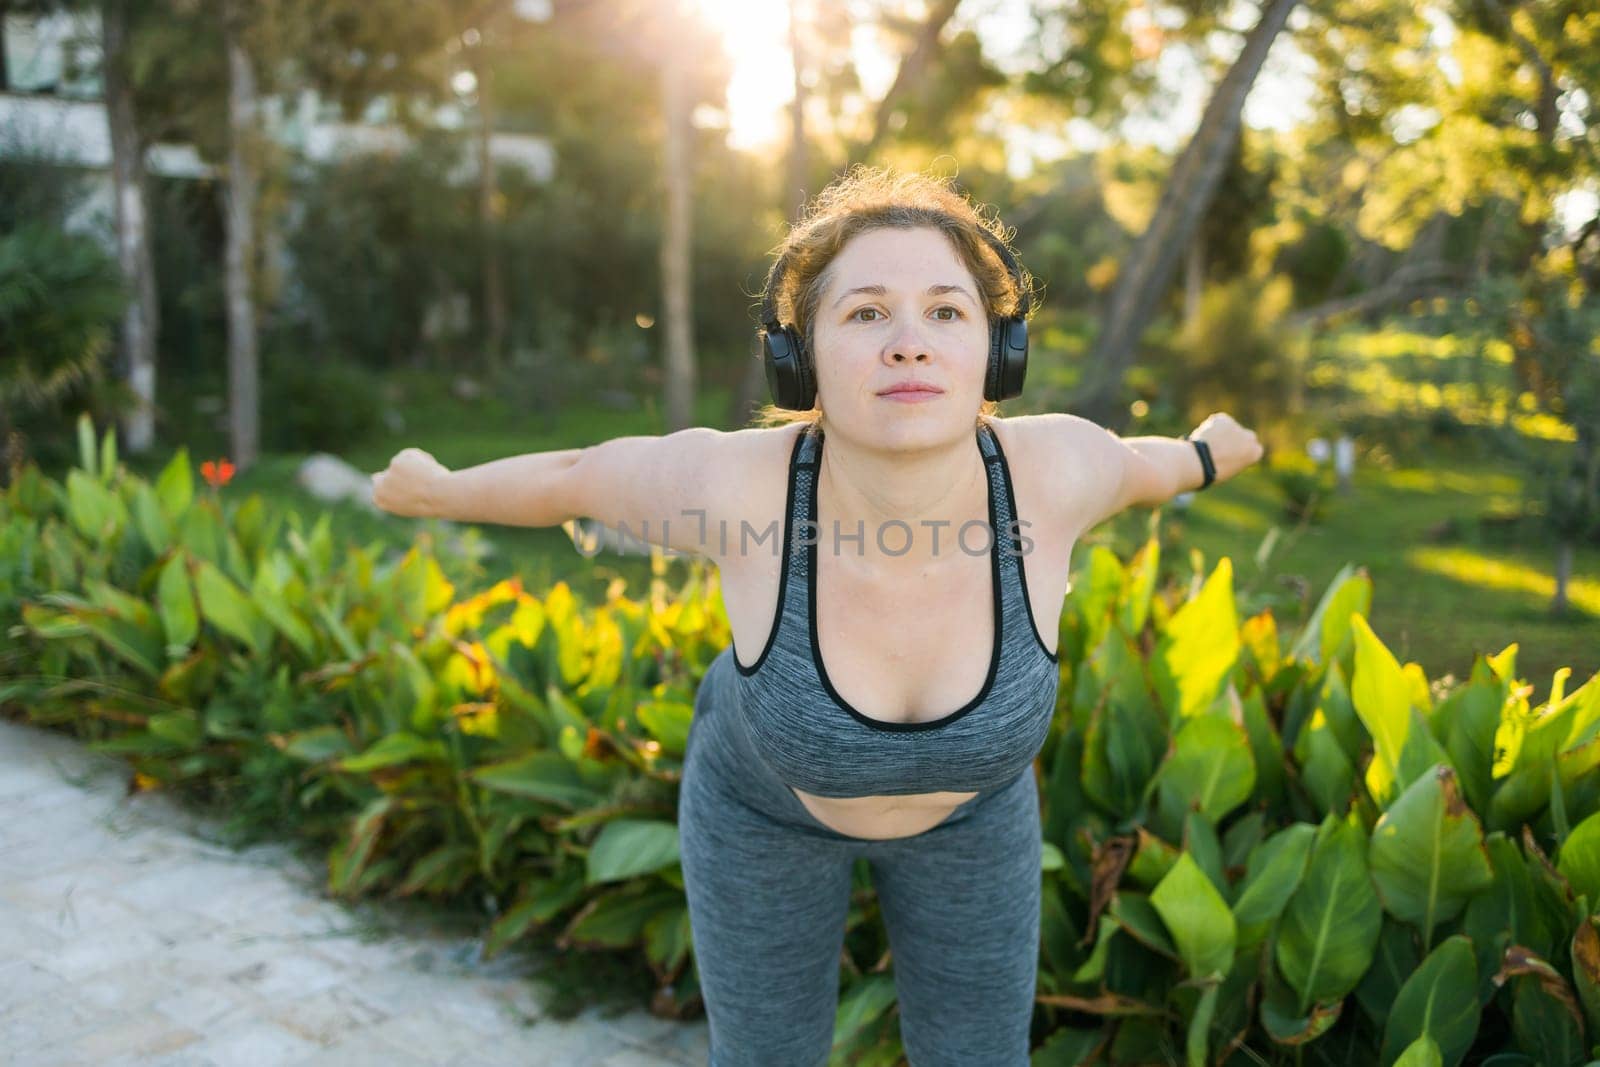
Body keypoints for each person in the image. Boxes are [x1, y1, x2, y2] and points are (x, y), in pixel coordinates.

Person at [371, 166, 1263, 1066]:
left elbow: (1150, 466)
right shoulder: (737, 488)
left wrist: (1207, 454)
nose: (909, 343)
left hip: (973, 817)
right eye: (867, 312)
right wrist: (440, 492)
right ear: (799, 358)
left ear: (999, 352)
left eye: (947, 312)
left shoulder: (1055, 473)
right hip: (761, 812)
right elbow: (578, 476)